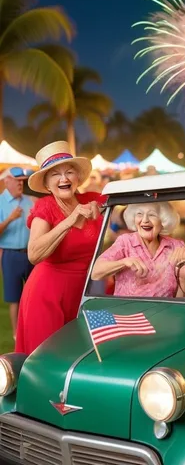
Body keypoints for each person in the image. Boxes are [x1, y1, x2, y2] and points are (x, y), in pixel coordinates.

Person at [15, 141, 105, 355]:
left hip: (86, 292)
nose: (64, 179)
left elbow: (128, 205)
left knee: (85, 355)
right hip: (47, 294)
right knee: (49, 356)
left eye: (69, 172)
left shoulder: (92, 199)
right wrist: (69, 221)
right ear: (47, 184)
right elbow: (34, 254)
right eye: (55, 174)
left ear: (78, 178)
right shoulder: (45, 207)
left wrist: (101, 207)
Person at [91, 202, 185, 297]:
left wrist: (184, 277)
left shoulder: (176, 246)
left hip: (164, 312)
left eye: (152, 215)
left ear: (163, 220)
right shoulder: (125, 242)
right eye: (139, 214)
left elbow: (182, 298)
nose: (144, 220)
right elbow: (95, 273)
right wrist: (124, 262)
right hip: (128, 312)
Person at [0, 167, 35, 340]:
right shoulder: (0, 202)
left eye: (22, 180)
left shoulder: (29, 201)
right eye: (17, 180)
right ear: (7, 181)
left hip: (30, 254)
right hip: (11, 255)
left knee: (33, 294)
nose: (21, 183)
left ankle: (31, 327)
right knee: (14, 297)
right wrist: (10, 219)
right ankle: (16, 334)